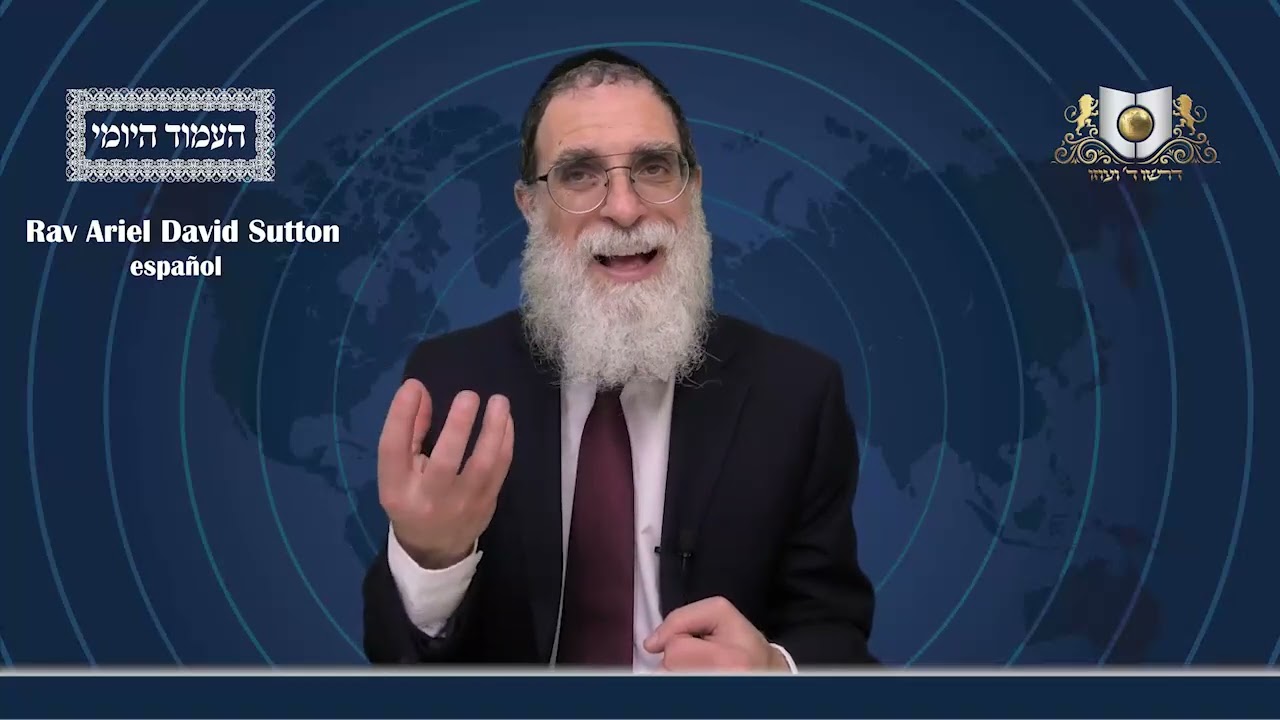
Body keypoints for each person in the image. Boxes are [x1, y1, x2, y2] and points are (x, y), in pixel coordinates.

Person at [362, 48, 876, 671]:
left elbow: (835, 630)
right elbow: (394, 661)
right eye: (580, 174)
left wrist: (773, 670)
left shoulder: (796, 393)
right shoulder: (451, 381)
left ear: (694, 187)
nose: (625, 209)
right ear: (530, 206)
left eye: (654, 168)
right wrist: (431, 561)